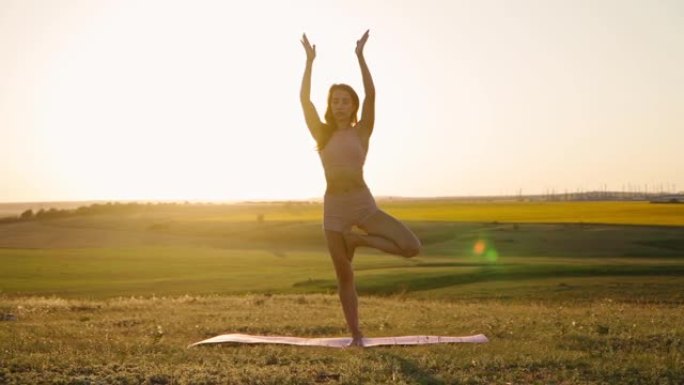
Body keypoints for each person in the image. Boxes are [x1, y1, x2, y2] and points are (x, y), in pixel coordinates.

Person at [299, 30, 422, 347]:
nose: (340, 105)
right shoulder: (321, 134)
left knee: (411, 247)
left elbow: (371, 95)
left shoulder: (362, 130)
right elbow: (304, 100)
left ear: (353, 106)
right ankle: (356, 334)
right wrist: (309, 62)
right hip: (334, 210)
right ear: (331, 105)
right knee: (345, 276)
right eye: (335, 101)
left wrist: (360, 56)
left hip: (363, 205)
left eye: (345, 101)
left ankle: (359, 240)